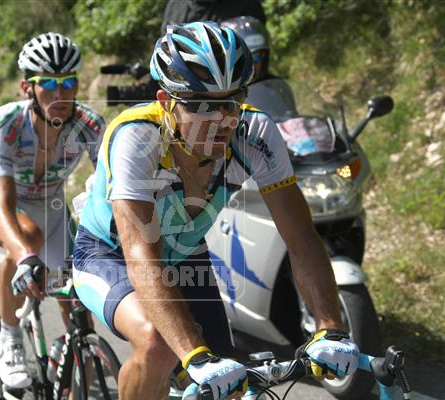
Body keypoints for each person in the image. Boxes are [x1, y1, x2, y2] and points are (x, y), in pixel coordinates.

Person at [71, 22, 360, 400]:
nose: (221, 119)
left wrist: (329, 327)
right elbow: (140, 254)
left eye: (231, 101)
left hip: (184, 252)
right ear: (166, 101)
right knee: (159, 345)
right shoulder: (136, 136)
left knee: (230, 381)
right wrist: (193, 355)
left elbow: (301, 237)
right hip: (109, 255)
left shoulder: (255, 133)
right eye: (201, 105)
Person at [0, 32, 104, 389]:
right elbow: (2, 202)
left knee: (79, 310)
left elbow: (112, 187)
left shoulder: (89, 125)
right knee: (27, 238)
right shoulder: (7, 124)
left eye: (68, 82)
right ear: (27, 87)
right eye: (49, 84)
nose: (60, 94)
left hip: (50, 205)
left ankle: (74, 372)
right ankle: (9, 335)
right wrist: (25, 257)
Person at [222, 16, 298, 118]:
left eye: (258, 56)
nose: (255, 64)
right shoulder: (220, 96)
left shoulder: (275, 87)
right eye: (248, 58)